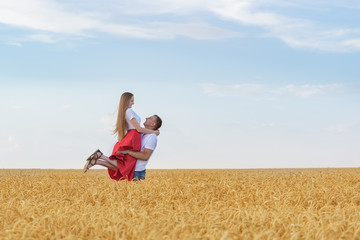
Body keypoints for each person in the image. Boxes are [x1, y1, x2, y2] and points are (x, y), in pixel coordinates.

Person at [83, 92, 159, 181]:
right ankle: (101, 157)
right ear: (126, 100)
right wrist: (154, 132)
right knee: (125, 164)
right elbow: (138, 129)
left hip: (133, 136)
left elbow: (138, 129)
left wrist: (153, 132)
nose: (133, 103)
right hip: (133, 137)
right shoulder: (129, 111)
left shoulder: (126, 111)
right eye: (132, 100)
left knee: (124, 166)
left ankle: (98, 160)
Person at [117, 114, 162, 181]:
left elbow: (145, 156)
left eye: (149, 118)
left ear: (153, 124)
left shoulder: (152, 137)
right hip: (128, 168)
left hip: (136, 172)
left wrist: (128, 152)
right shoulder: (141, 134)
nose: (146, 117)